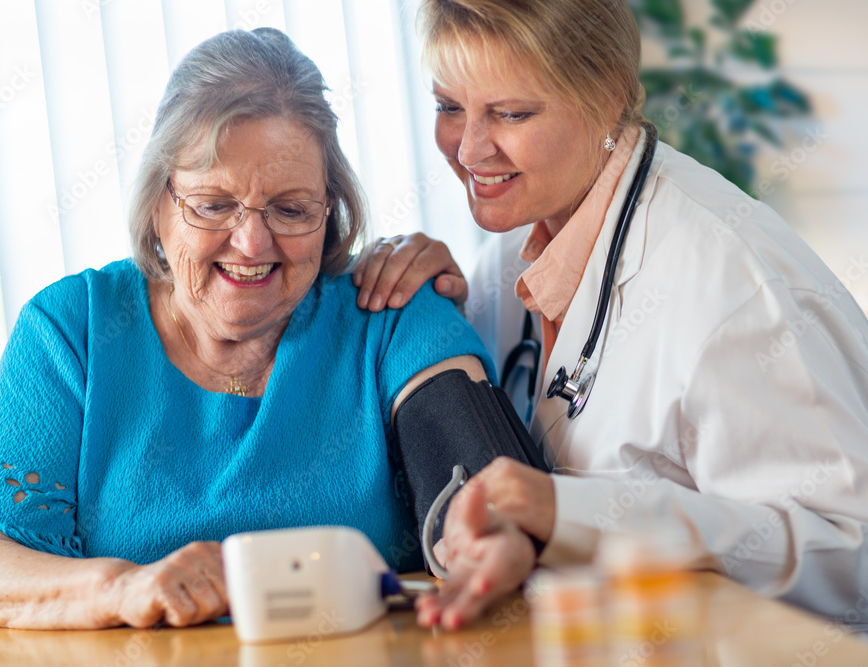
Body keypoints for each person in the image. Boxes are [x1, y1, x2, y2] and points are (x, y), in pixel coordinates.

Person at [0, 27, 496, 630]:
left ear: (331, 214)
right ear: (158, 206)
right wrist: (121, 590)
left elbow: (484, 498)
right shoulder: (75, 328)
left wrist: (485, 542)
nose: (251, 242)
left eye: (292, 209)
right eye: (214, 205)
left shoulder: (388, 308)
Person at [355, 0, 868, 631]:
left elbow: (850, 557)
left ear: (607, 95)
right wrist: (435, 308)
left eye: (511, 113)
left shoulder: (734, 280)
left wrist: (572, 514)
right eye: (448, 107)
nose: (468, 149)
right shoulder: (507, 259)